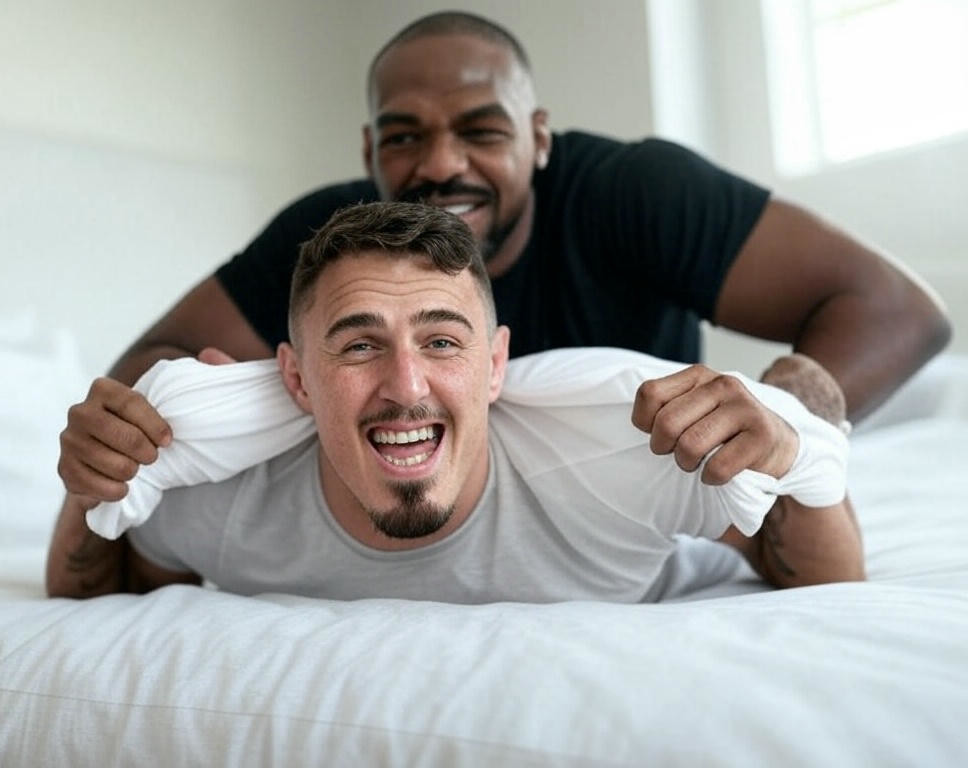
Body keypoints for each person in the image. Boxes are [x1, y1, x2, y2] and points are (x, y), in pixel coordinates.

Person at [56, 12, 947, 518]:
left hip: (641, 522)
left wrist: (780, 417)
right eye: (404, 137)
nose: (440, 165)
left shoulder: (633, 193)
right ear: (368, 150)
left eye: (481, 130)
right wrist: (149, 422)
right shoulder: (328, 238)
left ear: (539, 137)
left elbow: (898, 310)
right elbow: (151, 360)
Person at [46, 202, 862, 602]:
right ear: (294, 379)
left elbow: (822, 575)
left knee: (796, 407)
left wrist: (795, 448)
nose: (406, 387)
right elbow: (103, 585)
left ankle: (798, 393)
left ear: (495, 364)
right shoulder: (228, 492)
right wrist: (90, 485)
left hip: (650, 522)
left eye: (441, 342)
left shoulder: (620, 451)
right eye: (359, 345)